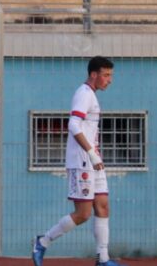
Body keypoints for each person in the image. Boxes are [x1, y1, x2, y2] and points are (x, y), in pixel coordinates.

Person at [32, 56, 124, 266]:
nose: (109, 80)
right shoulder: (84, 94)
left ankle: (103, 259)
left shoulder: (92, 95)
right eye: (106, 75)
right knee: (83, 214)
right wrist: (91, 153)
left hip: (94, 161)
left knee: (103, 206)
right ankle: (43, 241)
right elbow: (73, 125)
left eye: (111, 75)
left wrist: (95, 155)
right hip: (82, 161)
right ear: (94, 74)